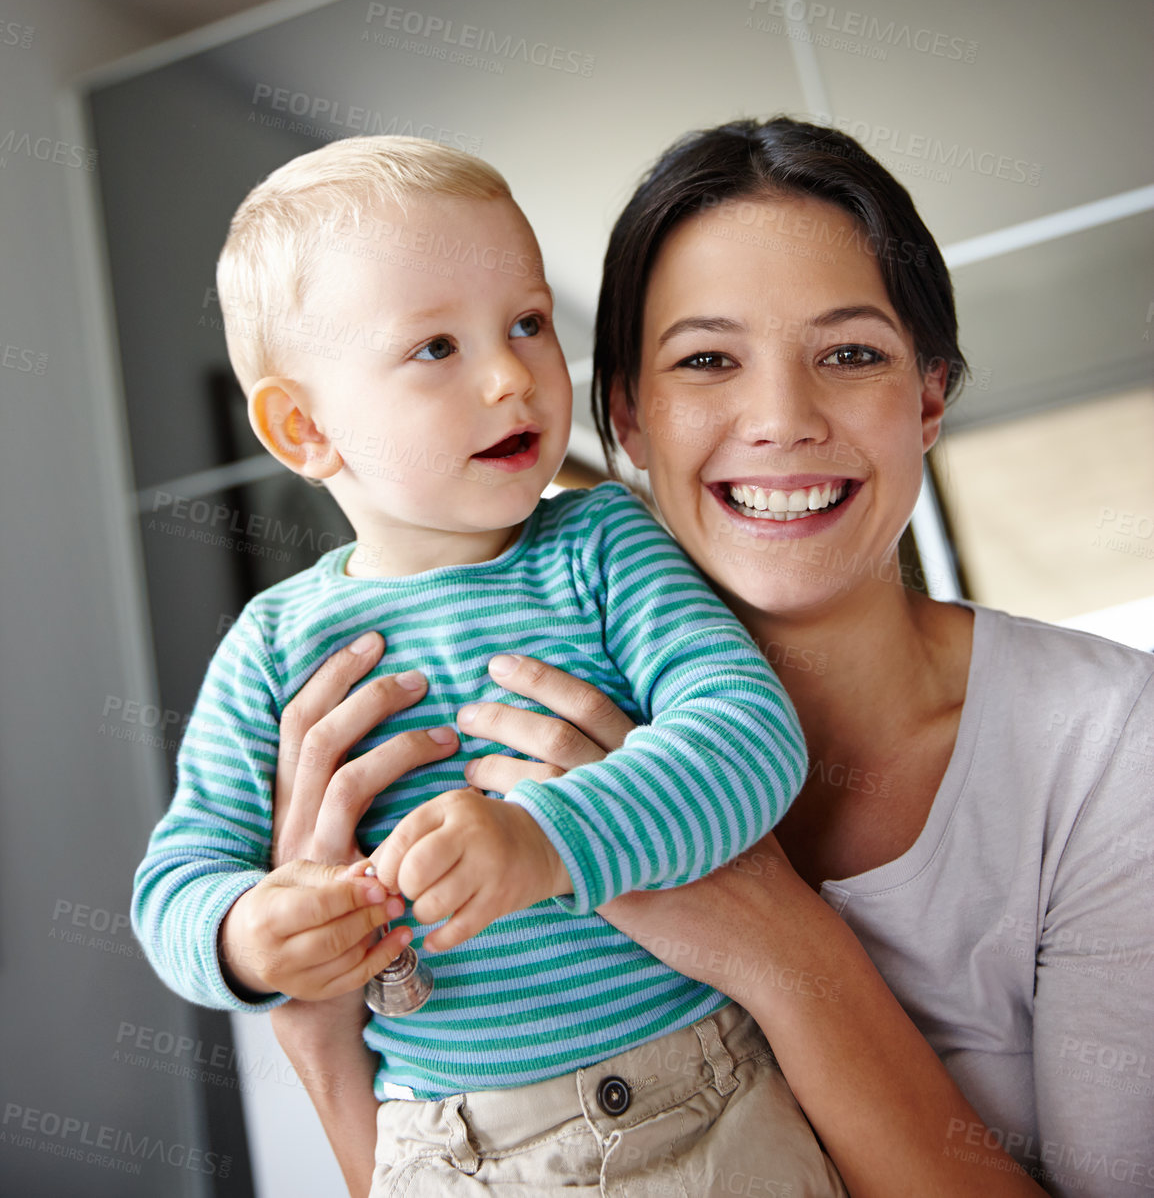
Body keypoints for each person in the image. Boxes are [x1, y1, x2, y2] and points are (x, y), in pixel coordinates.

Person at [271, 116, 1154, 1198]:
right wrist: (318, 1024)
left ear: (926, 395)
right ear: (627, 420)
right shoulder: (467, 735)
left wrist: (775, 941)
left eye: (847, 353)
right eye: (705, 359)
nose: (780, 419)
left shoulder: (1109, 750)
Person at [131, 134, 851, 1197]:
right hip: (445, 1149)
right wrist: (243, 936)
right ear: (303, 425)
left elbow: (748, 737)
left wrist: (545, 839)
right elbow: (175, 883)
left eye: (524, 322)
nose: (513, 373)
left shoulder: (606, 541)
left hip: (700, 1105)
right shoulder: (272, 646)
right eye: (436, 348)